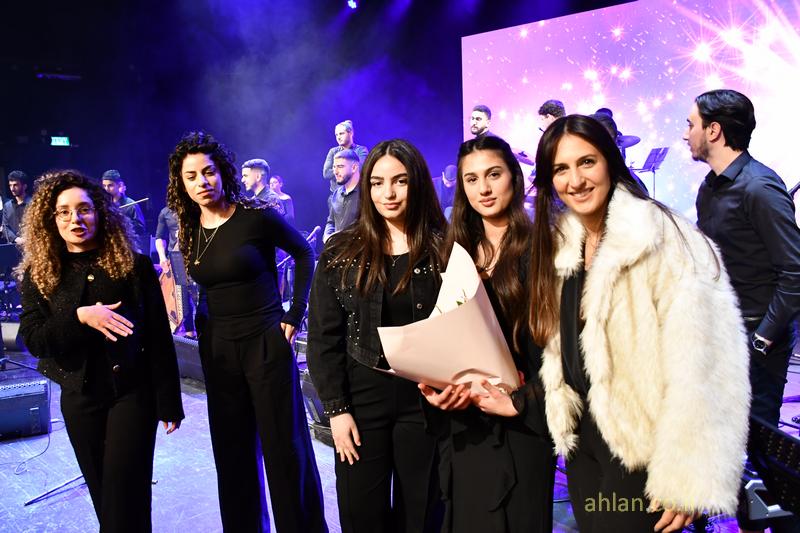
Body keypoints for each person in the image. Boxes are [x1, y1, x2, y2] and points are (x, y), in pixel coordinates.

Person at [529, 114, 751, 532]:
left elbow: (711, 364)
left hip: (643, 451)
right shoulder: (566, 244)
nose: (575, 180)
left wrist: (689, 474)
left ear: (610, 162)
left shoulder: (664, 236)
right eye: (561, 169)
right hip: (585, 445)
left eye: (587, 162)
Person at [167, 131, 326, 532]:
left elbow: (304, 253)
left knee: (284, 450)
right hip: (219, 350)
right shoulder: (190, 227)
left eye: (208, 172)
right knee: (233, 452)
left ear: (223, 172)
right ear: (181, 183)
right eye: (191, 176)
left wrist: (295, 313)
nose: (202, 182)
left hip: (265, 343)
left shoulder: (256, 216)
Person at [17, 170, 184, 532]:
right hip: (80, 400)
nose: (74, 219)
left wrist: (169, 400)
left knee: (126, 496)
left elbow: (158, 338)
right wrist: (80, 317)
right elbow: (33, 339)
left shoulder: (134, 266)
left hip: (132, 395)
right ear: (51, 219)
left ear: (100, 212)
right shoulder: (39, 274)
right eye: (64, 212)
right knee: (105, 498)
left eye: (84, 209)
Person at [307, 139, 446, 533]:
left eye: (400, 181)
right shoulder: (340, 251)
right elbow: (323, 338)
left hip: (425, 403)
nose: (389, 193)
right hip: (360, 398)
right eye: (378, 183)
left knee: (421, 517)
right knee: (361, 514)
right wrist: (336, 410)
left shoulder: (444, 247)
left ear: (417, 183)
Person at [419, 135, 554, 532]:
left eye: (494, 174)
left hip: (521, 422)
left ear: (514, 177)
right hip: (466, 424)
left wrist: (521, 403)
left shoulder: (543, 249)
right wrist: (436, 386)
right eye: (472, 179)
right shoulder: (455, 253)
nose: (484, 188)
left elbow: (563, 354)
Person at [687, 89, 800, 533]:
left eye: (692, 124)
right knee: (725, 446)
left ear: (714, 131)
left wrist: (763, 339)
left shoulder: (760, 188)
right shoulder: (710, 187)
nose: (686, 134)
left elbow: (794, 273)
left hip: (757, 340)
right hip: (723, 334)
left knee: (761, 451)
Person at [101, 169, 147, 252]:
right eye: (104, 186)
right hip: (106, 248)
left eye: (110, 185)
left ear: (119, 185)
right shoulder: (102, 204)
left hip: (126, 248)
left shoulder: (131, 205)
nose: (106, 189)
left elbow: (141, 229)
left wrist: (122, 223)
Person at [323, 148, 361, 242]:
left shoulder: (367, 193)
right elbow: (331, 221)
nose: (335, 172)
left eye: (340, 166)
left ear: (354, 167)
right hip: (338, 249)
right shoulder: (336, 194)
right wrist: (327, 236)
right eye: (334, 167)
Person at [323, 120, 369, 191]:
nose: (338, 137)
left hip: (355, 193)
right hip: (336, 194)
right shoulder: (333, 151)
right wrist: (348, 169)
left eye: (341, 133)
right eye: (336, 135)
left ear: (350, 133)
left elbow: (360, 169)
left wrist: (339, 170)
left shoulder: (361, 150)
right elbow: (326, 173)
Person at [3, 169, 32, 244]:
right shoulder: (7, 206)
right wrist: (16, 239)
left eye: (15, 185)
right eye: (10, 185)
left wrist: (28, 239)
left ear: (24, 186)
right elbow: (5, 227)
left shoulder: (33, 204)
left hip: (32, 244)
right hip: (14, 245)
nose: (12, 189)